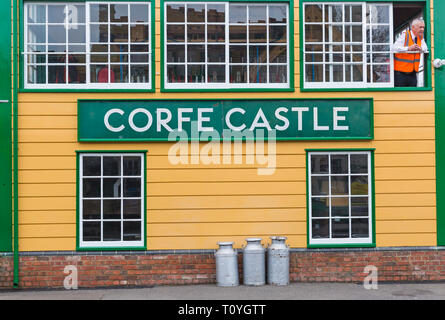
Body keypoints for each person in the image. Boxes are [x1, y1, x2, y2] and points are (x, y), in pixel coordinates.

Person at [392, 18, 428, 87]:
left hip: (413, 74)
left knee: (413, 96)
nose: (422, 29)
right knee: (400, 96)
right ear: (413, 27)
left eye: (423, 27)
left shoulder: (420, 37)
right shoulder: (404, 35)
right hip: (400, 74)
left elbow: (425, 48)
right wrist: (408, 48)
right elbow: (394, 47)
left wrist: (420, 48)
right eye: (420, 27)